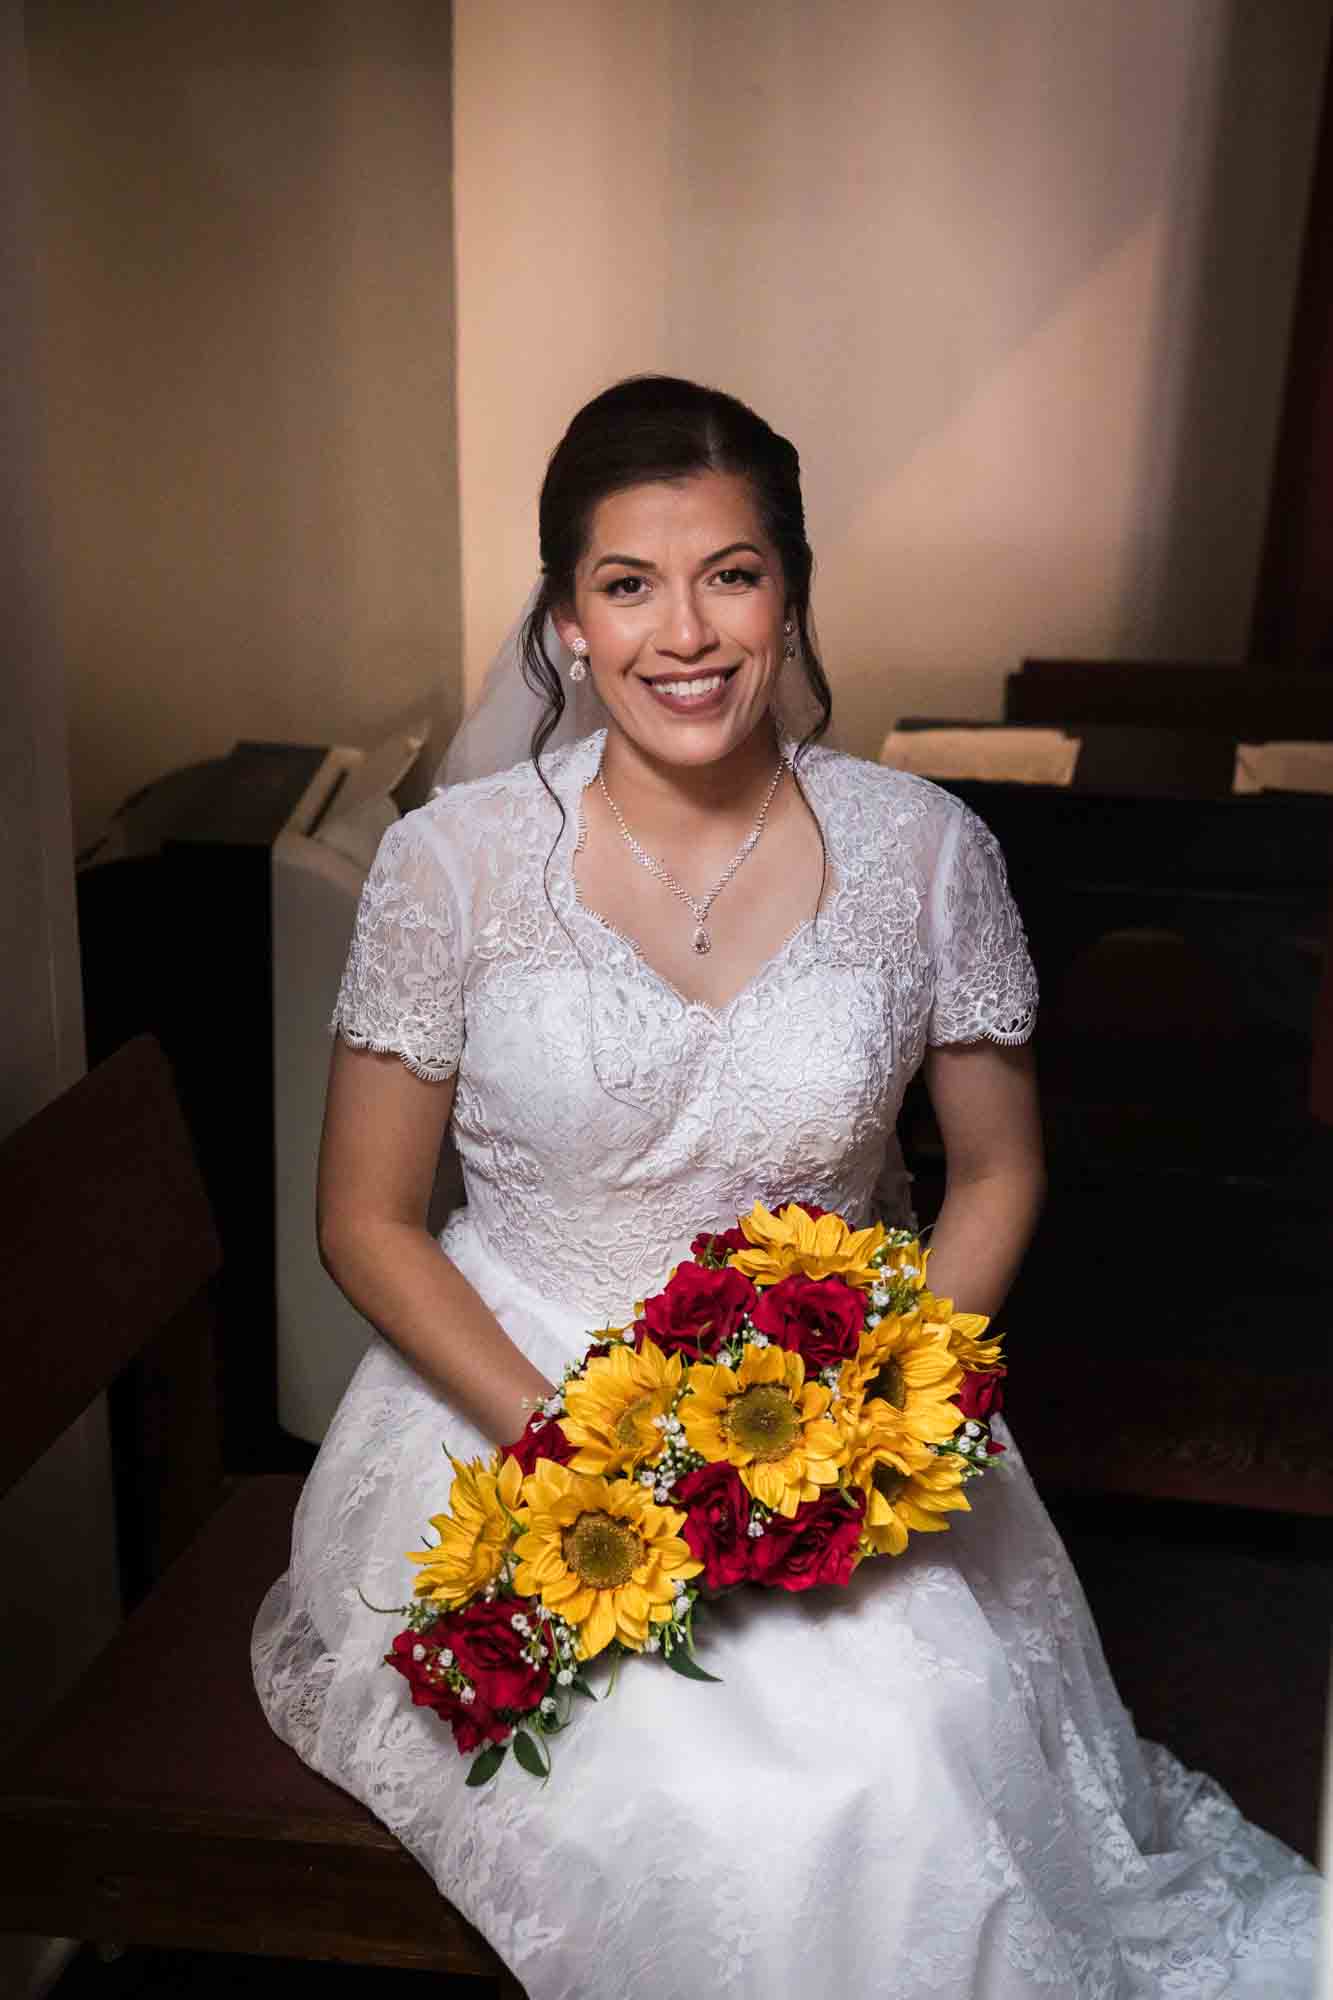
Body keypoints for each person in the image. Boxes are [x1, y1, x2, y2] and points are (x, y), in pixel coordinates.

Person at [253, 376, 1318, 1998]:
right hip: (508, 1408)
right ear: (564, 621)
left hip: (826, 1390)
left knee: (910, 1755)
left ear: (790, 590)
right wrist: (575, 1459)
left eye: (729, 574)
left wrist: (873, 1418)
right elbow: (365, 1221)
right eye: (626, 585)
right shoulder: (449, 865)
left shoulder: (924, 849)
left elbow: (999, 1167)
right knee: (728, 1794)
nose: (683, 632)